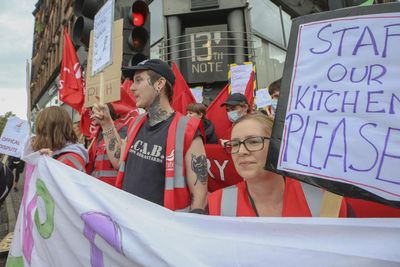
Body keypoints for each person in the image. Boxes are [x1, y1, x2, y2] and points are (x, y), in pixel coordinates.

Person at [91, 59, 208, 213]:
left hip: (163, 231)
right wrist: (107, 123)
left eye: (138, 80)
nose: (132, 88)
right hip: (129, 223)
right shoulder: (136, 123)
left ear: (159, 84)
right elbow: (119, 161)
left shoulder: (187, 130)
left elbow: (199, 196)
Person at [208, 112, 348, 217]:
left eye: (254, 141)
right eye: (235, 144)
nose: (241, 151)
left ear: (278, 145)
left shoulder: (324, 199)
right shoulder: (216, 203)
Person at [87, 102, 136, 186]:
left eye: (93, 111)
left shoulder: (121, 129)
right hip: (98, 186)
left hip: (113, 187)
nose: (91, 115)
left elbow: (120, 157)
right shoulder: (96, 135)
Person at [31, 106, 88, 172]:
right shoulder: (58, 155)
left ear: (52, 132)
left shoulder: (68, 161)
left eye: (42, 132)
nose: (38, 137)